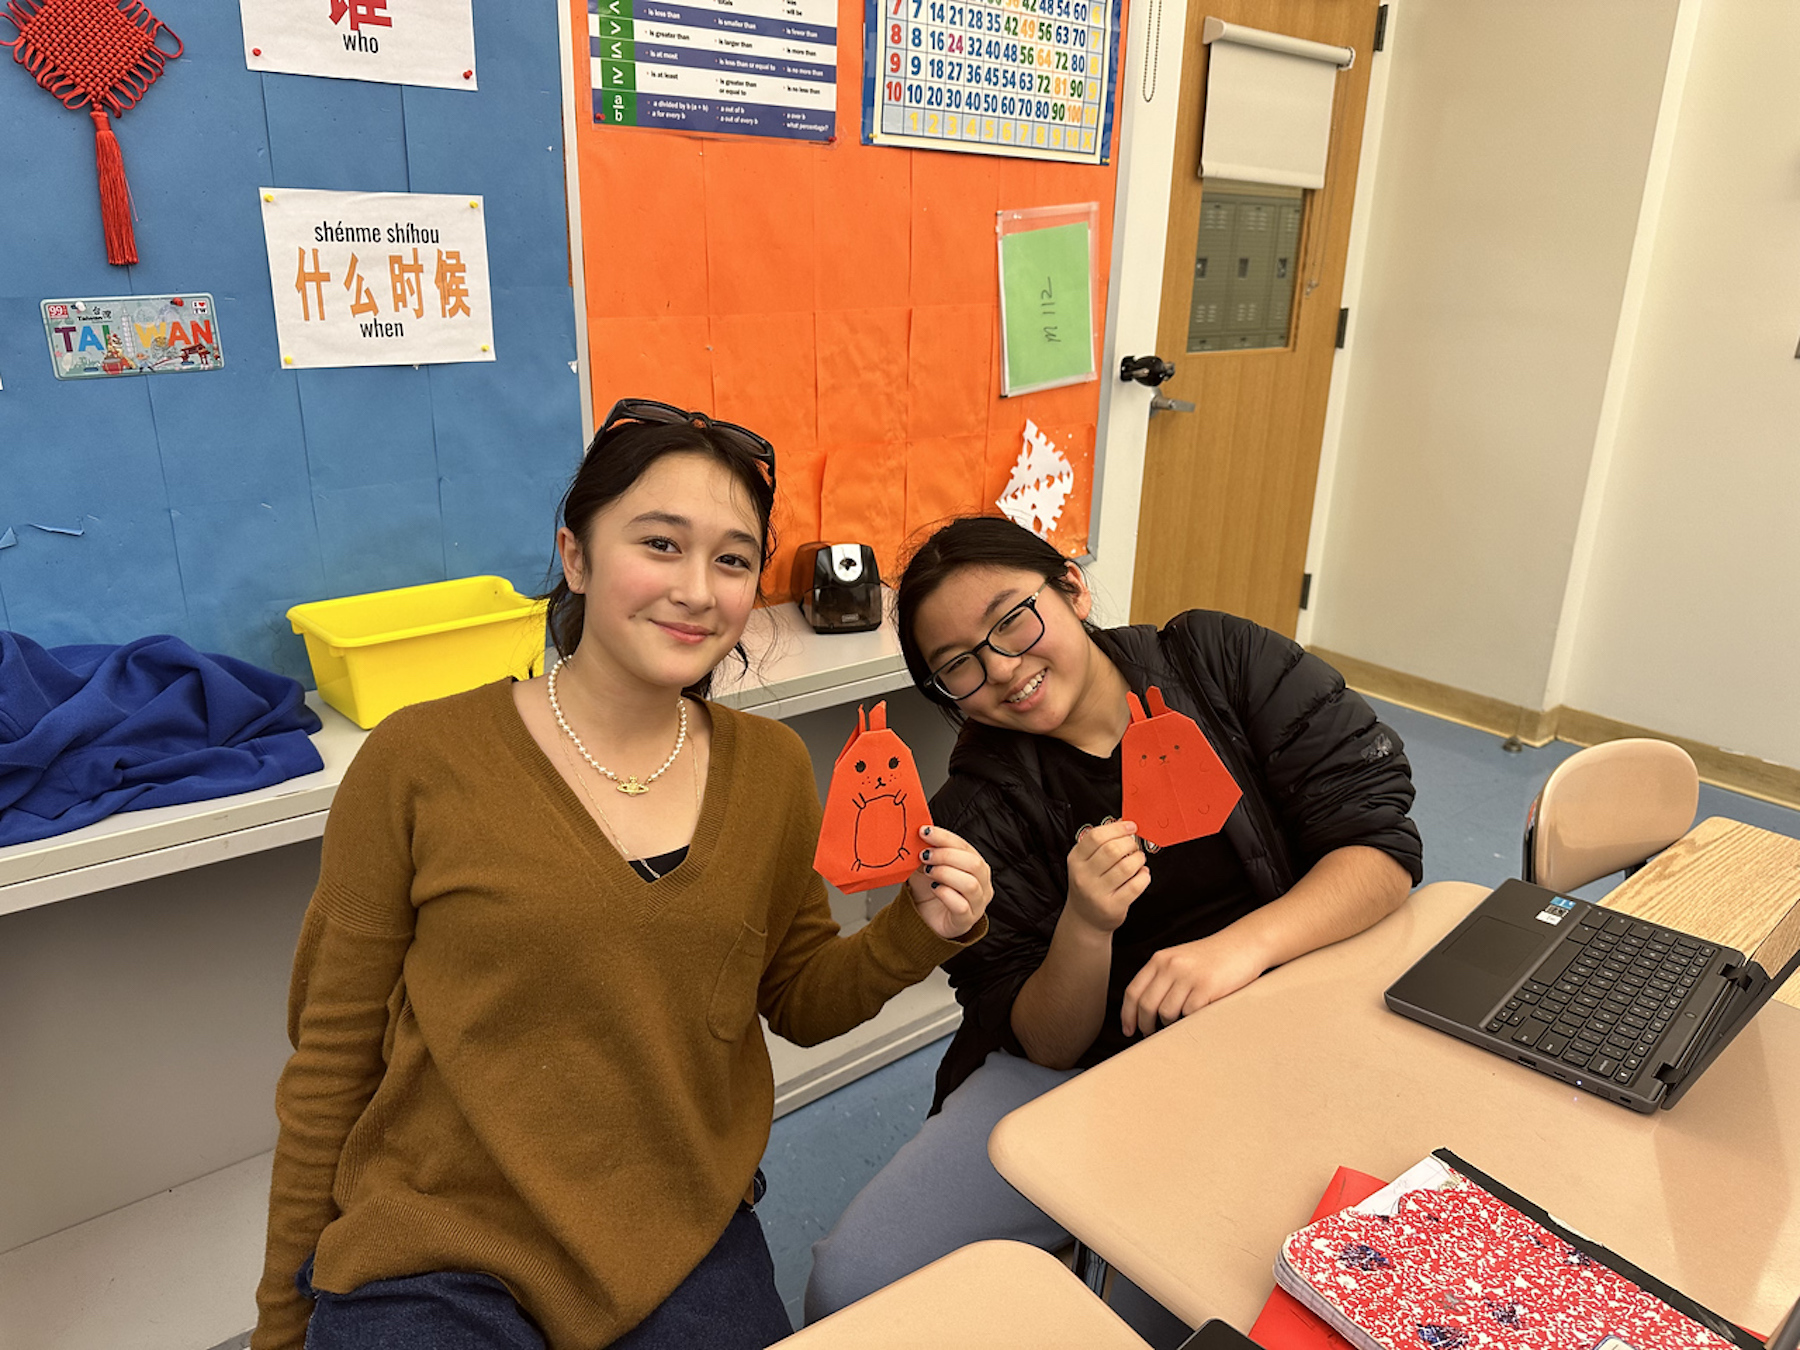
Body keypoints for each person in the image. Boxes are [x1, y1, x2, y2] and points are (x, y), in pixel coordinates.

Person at [251, 400, 993, 1350]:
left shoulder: (766, 768)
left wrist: (914, 933)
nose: (697, 589)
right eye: (660, 543)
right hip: (441, 1236)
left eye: (732, 560)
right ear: (576, 557)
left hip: (677, 1227)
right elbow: (329, 1064)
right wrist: (282, 1320)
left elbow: (798, 1000)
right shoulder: (420, 761)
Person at [804, 515, 1422, 1322]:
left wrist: (1242, 949)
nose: (1002, 668)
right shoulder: (976, 811)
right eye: (958, 665)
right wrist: (1086, 926)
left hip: (1286, 1023)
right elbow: (1046, 1043)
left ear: (1071, 588)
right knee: (852, 1285)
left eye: (1013, 620)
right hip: (1086, 1071)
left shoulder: (1217, 662)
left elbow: (1379, 847)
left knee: (1201, 1302)